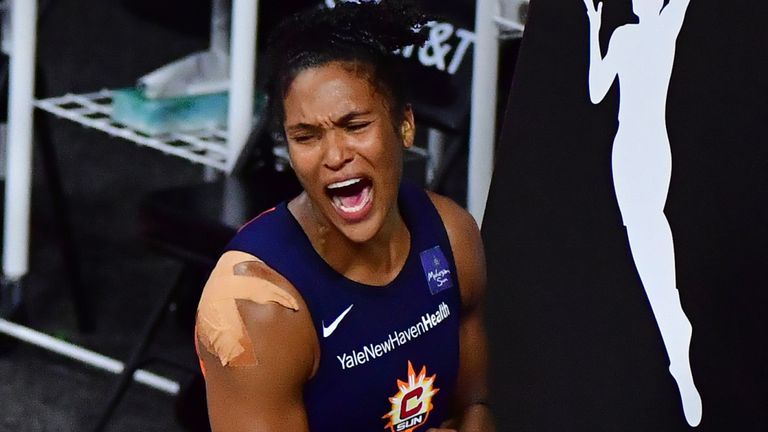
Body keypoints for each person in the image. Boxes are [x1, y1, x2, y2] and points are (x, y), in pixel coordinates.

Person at [194, 1, 494, 431]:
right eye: (306, 136)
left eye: (355, 125)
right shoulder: (256, 306)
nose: (335, 156)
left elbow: (477, 404)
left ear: (405, 125)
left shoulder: (452, 236)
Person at [583, 0, 701, 426]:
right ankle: (672, 328)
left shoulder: (659, 28)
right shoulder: (629, 34)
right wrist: (595, 28)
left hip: (648, 148)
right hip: (629, 150)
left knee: (649, 235)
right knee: (643, 239)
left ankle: (673, 330)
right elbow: (598, 91)